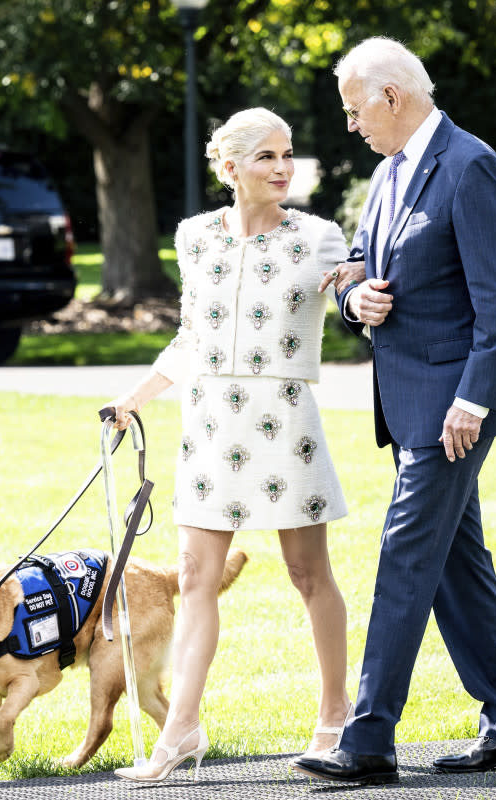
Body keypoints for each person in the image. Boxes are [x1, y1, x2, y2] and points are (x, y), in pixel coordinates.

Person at [294, 37, 496, 785]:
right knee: (455, 567)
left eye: (354, 109)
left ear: (392, 98)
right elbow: (359, 269)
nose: (352, 125)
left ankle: (367, 739)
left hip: (453, 411)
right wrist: (352, 299)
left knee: (405, 560)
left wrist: (473, 398)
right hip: (409, 407)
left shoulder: (471, 167)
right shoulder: (387, 175)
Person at [105, 107, 357, 784]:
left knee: (309, 576)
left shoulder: (320, 237)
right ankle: (181, 729)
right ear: (230, 167)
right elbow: (193, 337)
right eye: (267, 156)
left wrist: (361, 297)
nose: (283, 168)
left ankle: (337, 714)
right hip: (212, 422)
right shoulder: (194, 239)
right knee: (194, 579)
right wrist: (134, 398)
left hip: (286, 420)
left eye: (288, 155)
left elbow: (355, 288)